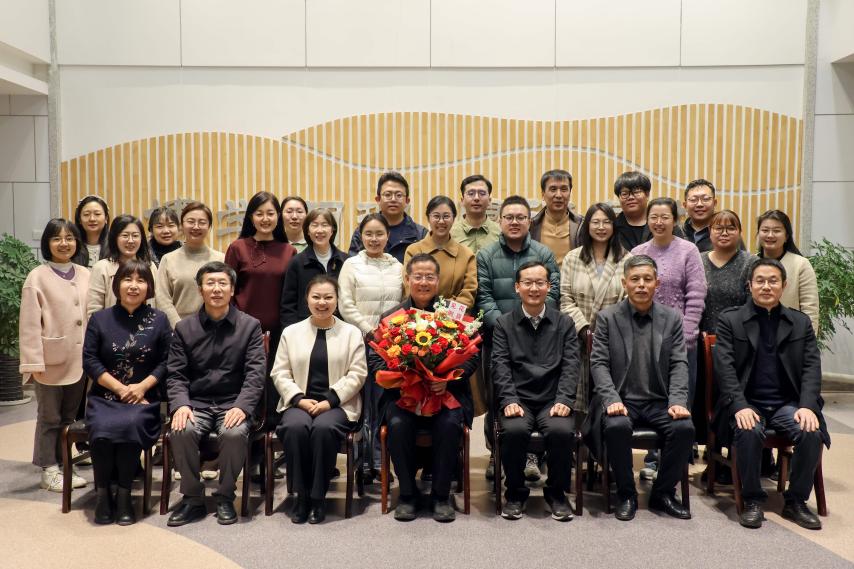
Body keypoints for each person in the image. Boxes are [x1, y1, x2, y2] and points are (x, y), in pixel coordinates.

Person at [713, 258, 829, 530]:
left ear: (783, 286)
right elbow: (725, 369)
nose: (766, 286)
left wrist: (807, 405)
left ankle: (796, 501)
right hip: (747, 402)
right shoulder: (730, 320)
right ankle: (752, 500)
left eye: (773, 281)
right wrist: (739, 405)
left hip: (786, 404)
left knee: (811, 431)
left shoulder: (799, 322)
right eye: (760, 281)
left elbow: (811, 368)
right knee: (748, 429)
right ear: (750, 285)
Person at [368, 254, 479, 523]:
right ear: (407, 279)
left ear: (438, 281)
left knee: (449, 424)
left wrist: (449, 378)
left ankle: (441, 496)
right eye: (418, 276)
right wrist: (403, 379)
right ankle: (407, 495)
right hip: (402, 395)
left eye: (430, 277)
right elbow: (375, 359)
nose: (424, 282)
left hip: (446, 394)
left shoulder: (453, 313)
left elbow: (472, 355)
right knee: (397, 425)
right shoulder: (391, 317)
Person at [584, 255, 694, 521]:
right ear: (625, 283)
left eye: (647, 279)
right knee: (616, 426)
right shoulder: (608, 318)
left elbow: (679, 363)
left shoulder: (672, 318)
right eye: (635, 279)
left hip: (660, 401)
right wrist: (611, 399)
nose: (641, 285)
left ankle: (663, 493)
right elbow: (599, 363)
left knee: (684, 429)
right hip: (622, 399)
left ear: (657, 283)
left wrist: (677, 401)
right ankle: (626, 494)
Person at [165, 261, 266, 527]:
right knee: (181, 429)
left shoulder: (250, 326)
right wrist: (181, 405)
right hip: (196, 403)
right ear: (200, 290)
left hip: (233, 403)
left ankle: (225, 496)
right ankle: (192, 498)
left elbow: (255, 374)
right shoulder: (184, 328)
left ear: (232, 290)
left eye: (223, 283)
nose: (216, 289)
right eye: (210, 283)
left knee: (234, 433)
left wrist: (242, 406)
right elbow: (176, 374)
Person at [476, 195, 559, 482]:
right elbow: (484, 297)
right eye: (509, 217)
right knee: (498, 395)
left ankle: (532, 455)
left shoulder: (543, 253)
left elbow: (553, 292)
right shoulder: (486, 255)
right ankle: (496, 453)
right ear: (499, 221)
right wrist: (505, 328)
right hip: (497, 337)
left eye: (521, 217)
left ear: (529, 221)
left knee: (536, 393)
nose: (514, 222)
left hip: (539, 337)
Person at [82, 260, 172, 525]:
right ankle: (102, 495)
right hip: (105, 397)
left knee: (130, 425)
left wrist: (142, 386)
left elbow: (167, 361)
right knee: (102, 429)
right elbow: (90, 360)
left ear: (149, 287)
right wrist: (121, 388)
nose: (134, 286)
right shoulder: (100, 319)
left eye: (141, 280)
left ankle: (123, 495)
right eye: (127, 279)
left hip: (144, 398)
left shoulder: (159, 320)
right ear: (117, 285)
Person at [271, 276, 367, 524]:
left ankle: (317, 498)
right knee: (295, 427)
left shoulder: (351, 333)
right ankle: (301, 496)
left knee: (324, 429)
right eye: (316, 297)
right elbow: (280, 373)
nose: (322, 302)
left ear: (337, 300)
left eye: (328, 297)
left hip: (338, 404)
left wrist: (330, 400)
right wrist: (299, 399)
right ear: (307, 299)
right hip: (299, 402)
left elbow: (357, 374)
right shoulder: (291, 332)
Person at [492, 261, 580, 521]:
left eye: (540, 283)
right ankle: (515, 493)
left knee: (561, 431)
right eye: (527, 283)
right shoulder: (504, 324)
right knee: (514, 430)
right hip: (518, 399)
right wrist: (509, 399)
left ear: (549, 287)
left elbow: (571, 364)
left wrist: (564, 399)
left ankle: (557, 494)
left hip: (552, 399)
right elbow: (500, 364)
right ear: (517, 287)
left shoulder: (564, 323)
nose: (533, 288)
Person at [632, 197, 705, 478]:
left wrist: (686, 333)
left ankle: (674, 463)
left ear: (675, 220)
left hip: (680, 340)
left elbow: (696, 294)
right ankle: (653, 460)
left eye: (665, 217)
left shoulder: (688, 250)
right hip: (645, 341)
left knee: (678, 400)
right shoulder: (638, 252)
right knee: (652, 400)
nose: (659, 222)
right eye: (654, 217)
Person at [19, 219, 90, 492]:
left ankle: (63, 464)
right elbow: (29, 325)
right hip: (49, 361)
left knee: (69, 418)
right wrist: (33, 362)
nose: (64, 243)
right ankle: (48, 468)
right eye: (57, 238)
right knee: (49, 417)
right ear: (47, 243)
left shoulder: (85, 274)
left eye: (69, 238)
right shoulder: (37, 277)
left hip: (79, 360)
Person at [337, 213, 404, 481]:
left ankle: (381, 462)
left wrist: (389, 334)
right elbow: (346, 305)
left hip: (391, 346)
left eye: (379, 234)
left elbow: (403, 303)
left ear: (388, 236)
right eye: (369, 234)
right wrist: (370, 330)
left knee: (384, 403)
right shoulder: (351, 265)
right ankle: (362, 463)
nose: (374, 239)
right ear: (360, 236)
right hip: (360, 342)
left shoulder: (397, 266)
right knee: (361, 404)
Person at [560, 203, 632, 413]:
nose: (601, 227)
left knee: (610, 400)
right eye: (596, 222)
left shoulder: (627, 259)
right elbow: (565, 299)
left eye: (606, 222)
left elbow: (629, 299)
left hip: (614, 337)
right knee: (579, 401)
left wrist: (604, 330)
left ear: (614, 226)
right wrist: (584, 329)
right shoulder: (573, 258)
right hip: (579, 339)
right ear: (587, 226)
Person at [225, 191, 297, 353]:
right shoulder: (237, 248)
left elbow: (291, 296)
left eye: (270, 213)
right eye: (259, 214)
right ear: (251, 218)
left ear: (278, 216)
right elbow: (228, 290)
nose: (265, 219)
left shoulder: (289, 251)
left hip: (280, 331)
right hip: (241, 329)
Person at [155, 202, 225, 328]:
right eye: (191, 221)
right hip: (178, 330)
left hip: (214, 329)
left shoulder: (221, 259)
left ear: (209, 226)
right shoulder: (168, 259)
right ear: (182, 225)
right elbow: (162, 299)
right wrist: (181, 328)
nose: (196, 227)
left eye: (202, 222)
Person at [404, 196, 478, 309]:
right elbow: (409, 288)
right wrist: (428, 313)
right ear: (428, 218)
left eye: (446, 216)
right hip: (419, 315)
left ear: (454, 218)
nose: (441, 221)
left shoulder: (467, 254)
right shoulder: (413, 250)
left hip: (454, 317)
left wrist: (443, 312)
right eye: (436, 216)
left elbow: (468, 294)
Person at [280, 208, 349, 329]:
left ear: (332, 230)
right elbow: (288, 305)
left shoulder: (345, 261)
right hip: (305, 329)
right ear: (307, 230)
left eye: (325, 225)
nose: (319, 230)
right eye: (314, 225)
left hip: (339, 328)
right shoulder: (297, 262)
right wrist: (291, 332)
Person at [756, 210, 819, 333]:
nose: (770, 235)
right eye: (765, 230)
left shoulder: (801, 264)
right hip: (755, 337)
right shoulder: (751, 262)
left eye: (776, 231)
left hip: (791, 337)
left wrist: (808, 340)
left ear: (787, 236)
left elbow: (810, 309)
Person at [348, 171, 427, 262]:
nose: (393, 199)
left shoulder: (421, 234)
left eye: (399, 195)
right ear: (378, 199)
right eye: (388, 195)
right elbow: (353, 265)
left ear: (407, 201)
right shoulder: (362, 232)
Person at [87, 215, 157, 317]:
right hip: (111, 326)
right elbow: (94, 310)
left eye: (135, 236)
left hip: (147, 324)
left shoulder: (150, 266)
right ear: (115, 238)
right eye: (125, 235)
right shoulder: (101, 268)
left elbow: (157, 303)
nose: (130, 240)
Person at [699, 210, 756, 335]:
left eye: (731, 228)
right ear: (709, 231)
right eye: (718, 228)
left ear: (739, 232)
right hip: (701, 337)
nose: (724, 233)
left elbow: (753, 305)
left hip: (740, 336)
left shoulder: (751, 262)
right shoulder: (697, 260)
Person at [612, 171, 684, 251]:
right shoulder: (612, 228)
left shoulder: (667, 224)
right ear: (619, 197)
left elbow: (681, 251)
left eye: (636, 192)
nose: (631, 197)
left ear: (647, 194)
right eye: (625, 194)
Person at [529, 169, 583, 268]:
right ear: (543, 194)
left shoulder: (582, 225)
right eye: (553, 189)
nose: (558, 195)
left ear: (570, 193)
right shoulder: (531, 225)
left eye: (564, 189)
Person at [450, 174, 501, 254]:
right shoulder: (450, 234)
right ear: (462, 201)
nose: (476, 198)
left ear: (489, 200)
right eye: (471, 193)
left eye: (482, 193)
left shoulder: (501, 233)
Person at [72, 195, 110, 268]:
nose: (92, 219)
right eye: (86, 214)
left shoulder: (115, 245)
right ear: (79, 219)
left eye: (97, 214)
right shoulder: (72, 246)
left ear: (106, 218)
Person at [682, 179, 718, 252]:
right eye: (693, 200)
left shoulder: (726, 234)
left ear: (714, 203)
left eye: (705, 199)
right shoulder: (675, 233)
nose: (699, 204)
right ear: (685, 205)